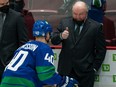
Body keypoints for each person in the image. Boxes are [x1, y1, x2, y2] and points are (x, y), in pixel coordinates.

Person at [0, 20, 78, 87]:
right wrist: (64, 81)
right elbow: (46, 75)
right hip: (23, 83)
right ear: (47, 34)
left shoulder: (22, 47)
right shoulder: (44, 48)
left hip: (5, 81)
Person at [51, 1, 106, 87]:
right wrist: (61, 36)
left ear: (86, 13)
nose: (77, 17)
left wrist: (94, 68)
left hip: (86, 72)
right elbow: (54, 40)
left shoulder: (96, 27)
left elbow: (101, 50)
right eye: (75, 14)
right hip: (65, 70)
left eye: (81, 14)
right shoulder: (64, 23)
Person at [0, 0, 29, 82]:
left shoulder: (17, 17)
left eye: (7, 3)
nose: (5, 6)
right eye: (2, 4)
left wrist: (17, 61)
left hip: (10, 64)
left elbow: (23, 42)